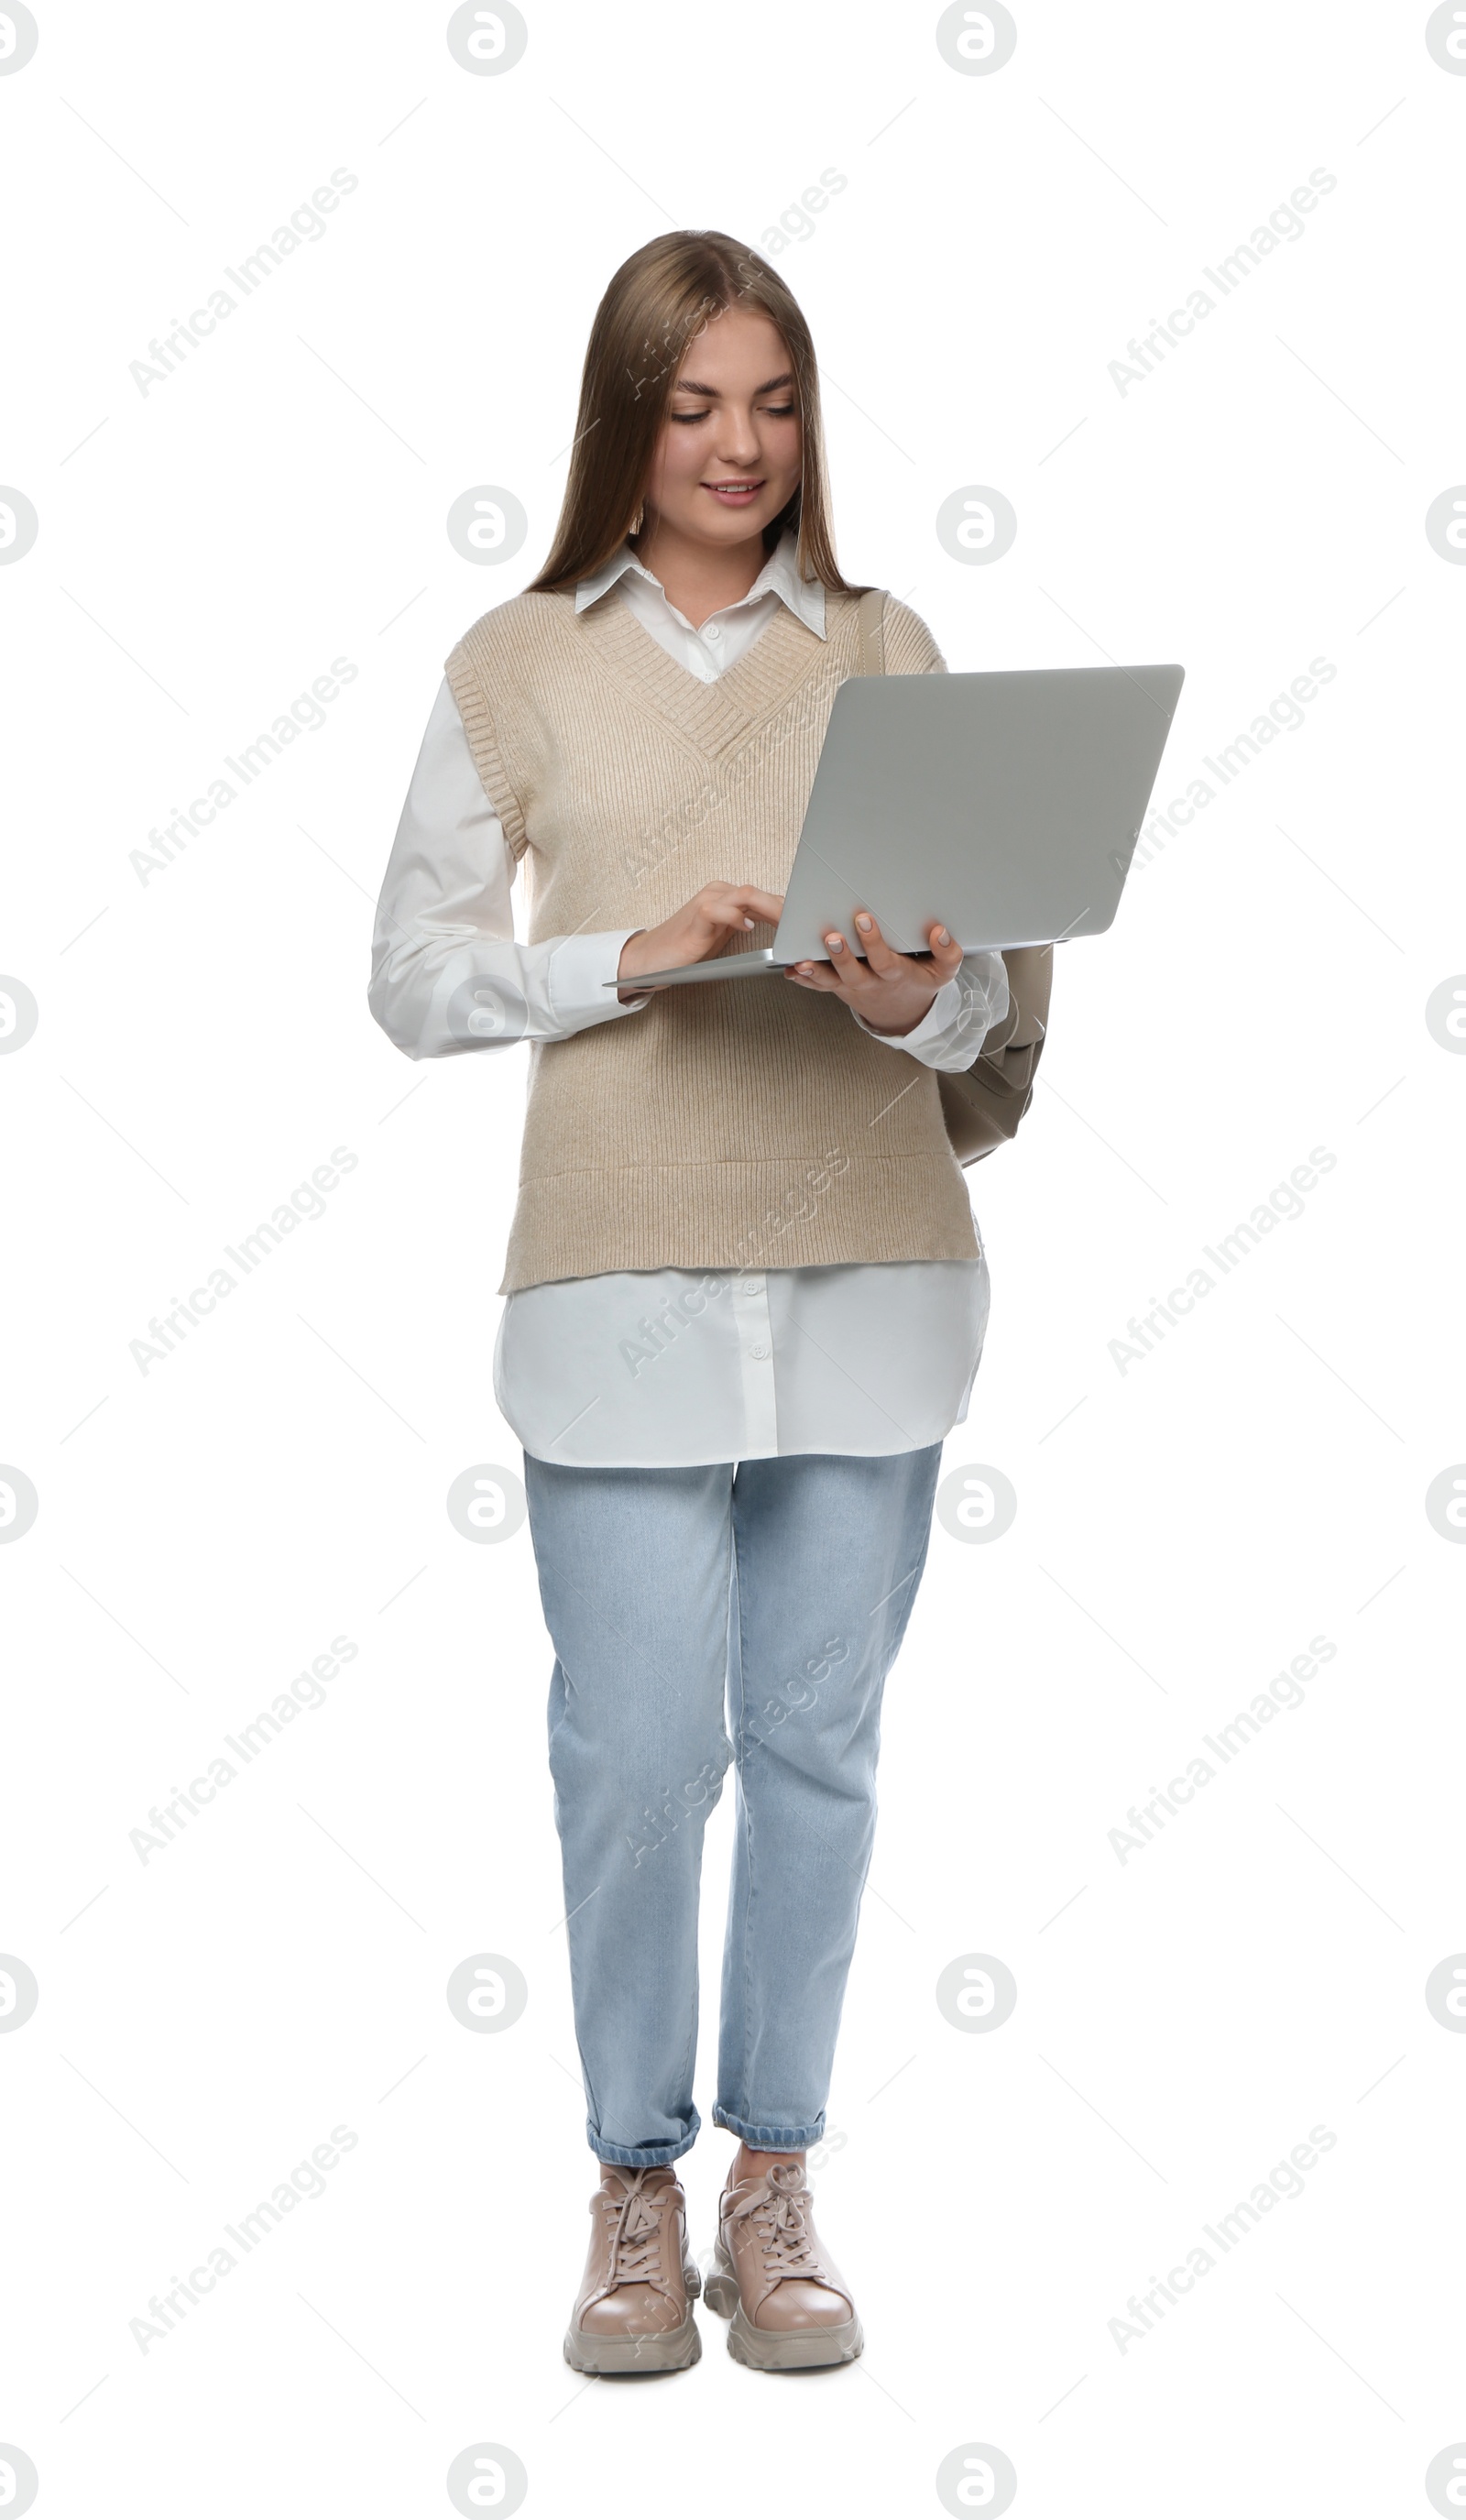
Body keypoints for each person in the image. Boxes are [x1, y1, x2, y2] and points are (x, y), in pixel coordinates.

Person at [369, 229, 1014, 2375]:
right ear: (624, 423)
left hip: (866, 1264)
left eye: (774, 400)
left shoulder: (893, 642)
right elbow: (411, 975)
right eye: (692, 403)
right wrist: (617, 961)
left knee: (813, 1747)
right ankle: (632, 2187)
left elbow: (992, 987)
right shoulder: (521, 658)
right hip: (615, 1276)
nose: (739, 444)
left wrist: (925, 997)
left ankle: (777, 2177)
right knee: (638, 1757)